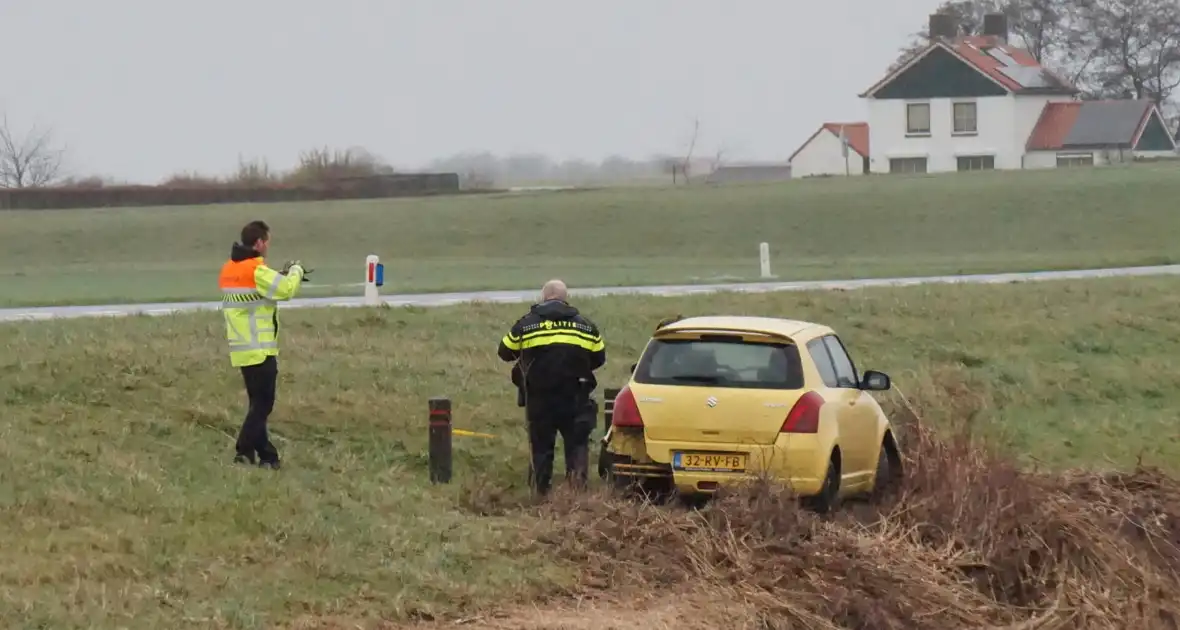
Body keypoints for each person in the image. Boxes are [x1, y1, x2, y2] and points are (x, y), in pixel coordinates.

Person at [498, 279, 606, 496]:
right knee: (576, 445)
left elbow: (505, 352)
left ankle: (540, 494)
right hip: (576, 396)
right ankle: (577, 494)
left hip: (540, 398)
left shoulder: (526, 324)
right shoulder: (585, 326)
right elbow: (599, 358)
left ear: (543, 297)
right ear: (565, 298)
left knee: (540, 448)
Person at [218, 220, 310, 469]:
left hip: (241, 348)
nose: (268, 246)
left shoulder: (229, 269)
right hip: (260, 348)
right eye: (267, 241)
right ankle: (243, 450)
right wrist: (296, 270)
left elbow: (255, 293)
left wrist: (276, 277)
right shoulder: (256, 271)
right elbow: (287, 290)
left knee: (256, 406)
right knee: (263, 406)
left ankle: (267, 457)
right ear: (259, 243)